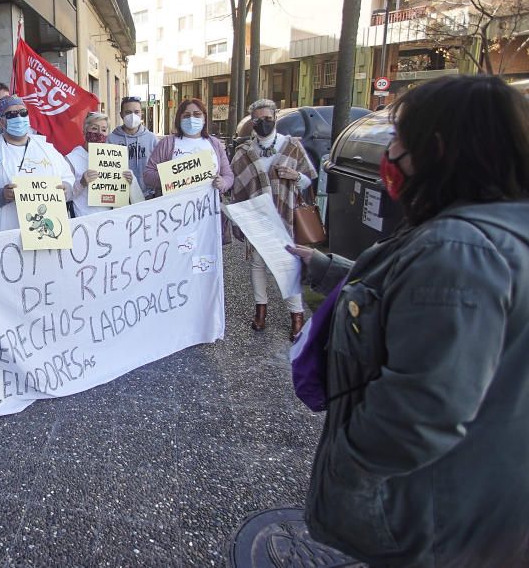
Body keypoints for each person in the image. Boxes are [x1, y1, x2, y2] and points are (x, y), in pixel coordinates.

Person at [287, 75, 529, 567]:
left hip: (433, 516)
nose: (389, 155)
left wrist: (349, 466)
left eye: (399, 141)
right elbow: (416, 296)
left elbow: (420, 411)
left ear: (436, 149)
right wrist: (330, 269)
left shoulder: (459, 248)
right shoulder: (497, 228)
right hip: (478, 501)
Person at [229, 97, 315, 340]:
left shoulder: (292, 146)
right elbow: (236, 187)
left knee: (288, 266)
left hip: (285, 216)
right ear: (252, 123)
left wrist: (295, 175)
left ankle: (297, 317)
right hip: (257, 219)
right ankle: (260, 311)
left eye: (268, 118)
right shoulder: (244, 151)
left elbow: (308, 179)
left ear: (275, 118)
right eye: (258, 120)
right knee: (257, 264)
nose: (263, 123)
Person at [0, 95, 75, 234]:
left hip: (43, 235)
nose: (19, 118)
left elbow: (68, 179)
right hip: (4, 233)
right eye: (11, 114)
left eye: (23, 113)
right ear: (1, 121)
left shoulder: (47, 150)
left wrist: (66, 189)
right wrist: (1, 195)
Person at [143, 97, 233, 198]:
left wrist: (223, 183)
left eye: (197, 114)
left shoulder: (215, 144)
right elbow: (148, 175)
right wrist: (172, 178)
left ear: (204, 119)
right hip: (175, 207)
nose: (191, 119)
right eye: (186, 115)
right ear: (179, 120)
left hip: (207, 207)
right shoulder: (167, 143)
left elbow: (228, 175)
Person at [65, 111, 134, 217]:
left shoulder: (114, 156)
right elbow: (65, 195)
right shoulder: (72, 159)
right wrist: (82, 183)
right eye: (94, 128)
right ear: (84, 130)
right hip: (83, 220)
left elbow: (121, 193)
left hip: (109, 220)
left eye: (103, 130)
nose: (99, 133)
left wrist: (128, 182)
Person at [108, 96, 158, 199]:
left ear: (141, 114)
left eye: (136, 112)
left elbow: (159, 166)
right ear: (121, 115)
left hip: (148, 196)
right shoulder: (111, 140)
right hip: (120, 197)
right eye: (128, 112)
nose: (132, 116)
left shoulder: (151, 139)